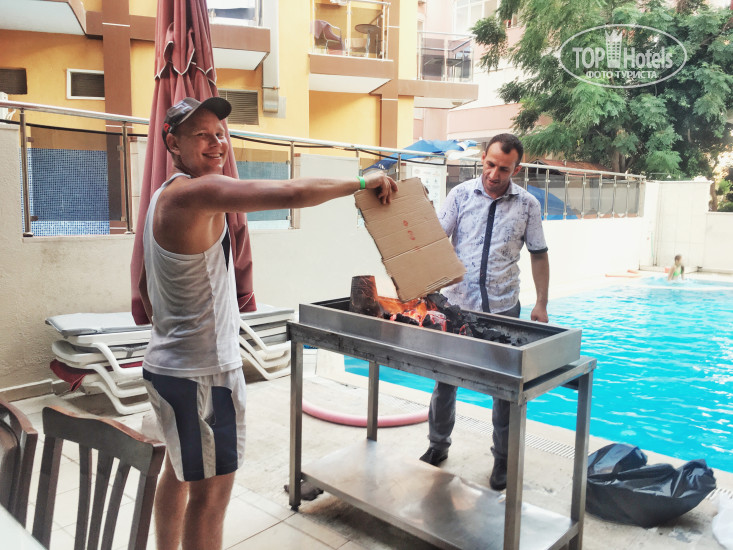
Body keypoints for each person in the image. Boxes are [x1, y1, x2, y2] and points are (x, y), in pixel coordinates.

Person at [138, 96, 396, 550]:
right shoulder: (194, 193)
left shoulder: (164, 195)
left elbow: (148, 287)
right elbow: (290, 193)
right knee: (210, 498)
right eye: (201, 135)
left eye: (220, 133)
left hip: (169, 367)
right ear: (172, 143)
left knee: (178, 474)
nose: (217, 143)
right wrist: (362, 179)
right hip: (202, 375)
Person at [419, 133, 550, 492]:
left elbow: (539, 254)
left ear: (516, 169)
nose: (494, 174)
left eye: (503, 169)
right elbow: (435, 241)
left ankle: (503, 461)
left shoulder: (528, 205)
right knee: (444, 381)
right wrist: (424, 285)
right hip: (456, 306)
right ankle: (437, 445)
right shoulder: (460, 195)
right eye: (490, 164)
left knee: (504, 390)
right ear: (482, 159)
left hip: (504, 310)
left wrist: (541, 303)